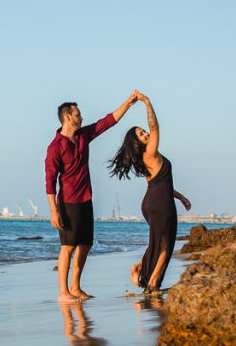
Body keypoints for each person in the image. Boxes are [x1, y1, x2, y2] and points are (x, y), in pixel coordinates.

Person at [45, 94, 138, 302]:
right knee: (67, 247)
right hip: (67, 202)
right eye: (78, 114)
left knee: (85, 244)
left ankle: (75, 287)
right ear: (68, 117)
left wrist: (128, 104)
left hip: (86, 199)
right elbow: (49, 181)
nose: (82, 117)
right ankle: (63, 292)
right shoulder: (55, 147)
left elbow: (107, 122)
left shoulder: (82, 136)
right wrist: (54, 210)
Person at [108, 91, 191, 293]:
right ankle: (152, 283)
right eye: (141, 134)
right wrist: (147, 102)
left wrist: (180, 197)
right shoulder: (150, 152)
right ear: (138, 143)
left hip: (153, 201)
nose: (146, 134)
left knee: (158, 240)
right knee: (166, 244)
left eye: (144, 132)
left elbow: (161, 184)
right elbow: (155, 126)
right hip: (160, 203)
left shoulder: (145, 160)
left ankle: (140, 269)